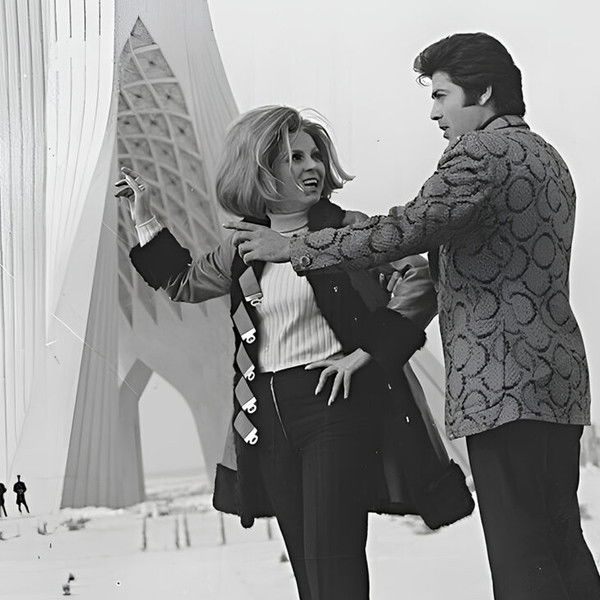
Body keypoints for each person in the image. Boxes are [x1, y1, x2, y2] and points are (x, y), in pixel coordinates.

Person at [226, 34, 600, 600]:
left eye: (441, 96)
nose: (434, 112)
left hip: (501, 385)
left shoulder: (479, 154)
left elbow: (406, 229)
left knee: (522, 557)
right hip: (558, 380)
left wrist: (296, 248)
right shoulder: (547, 157)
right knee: (562, 544)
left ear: (484, 92)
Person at [117, 105, 473, 600]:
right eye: (295, 158)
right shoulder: (243, 244)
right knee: (307, 571)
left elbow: (419, 277)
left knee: (332, 562)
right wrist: (144, 216)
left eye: (315, 156)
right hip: (265, 414)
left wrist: (365, 354)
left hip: (332, 403)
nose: (313, 167)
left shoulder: (346, 229)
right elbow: (182, 282)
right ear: (261, 169)